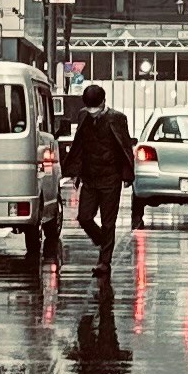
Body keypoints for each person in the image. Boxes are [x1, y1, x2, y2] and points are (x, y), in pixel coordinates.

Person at [65, 79, 135, 268]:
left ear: (104, 102)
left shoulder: (117, 118)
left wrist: (127, 175)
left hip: (111, 178)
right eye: (89, 107)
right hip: (90, 177)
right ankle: (103, 240)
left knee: (108, 221)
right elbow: (79, 145)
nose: (92, 110)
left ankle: (104, 262)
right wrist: (75, 172)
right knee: (84, 217)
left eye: (95, 106)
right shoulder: (83, 117)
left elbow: (125, 146)